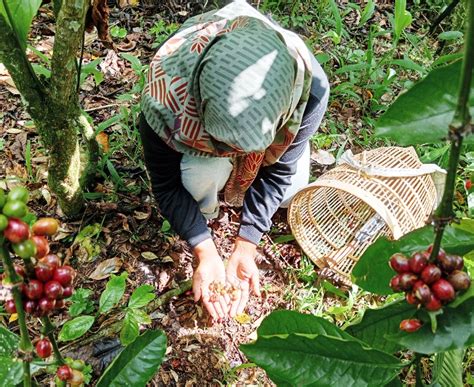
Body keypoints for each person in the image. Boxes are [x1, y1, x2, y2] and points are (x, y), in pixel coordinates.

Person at [139, 0, 329, 321]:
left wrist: (246, 244)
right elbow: (166, 185)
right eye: (224, 145)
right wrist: (205, 250)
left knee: (290, 194)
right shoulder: (165, 98)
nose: (235, 156)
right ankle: (211, 172)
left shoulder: (310, 89)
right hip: (196, 97)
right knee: (197, 178)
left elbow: (280, 170)